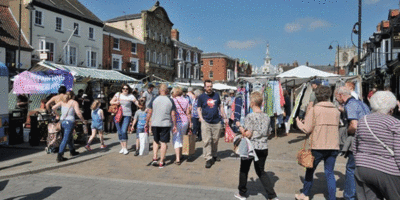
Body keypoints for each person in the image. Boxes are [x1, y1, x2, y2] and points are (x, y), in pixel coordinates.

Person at [295, 86, 340, 200]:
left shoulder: (314, 109)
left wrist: (298, 123)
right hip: (333, 145)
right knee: (330, 173)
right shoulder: (336, 110)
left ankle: (305, 194)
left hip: (317, 146)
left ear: (317, 96)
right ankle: (332, 198)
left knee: (310, 170)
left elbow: (306, 129)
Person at [353, 91, 400, 200]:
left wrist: (361, 161)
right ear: (391, 108)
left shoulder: (363, 120)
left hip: (363, 168)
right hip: (388, 170)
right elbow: (398, 152)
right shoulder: (395, 123)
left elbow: (355, 146)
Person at [234, 91, 279, 200]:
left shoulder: (250, 116)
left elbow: (247, 134)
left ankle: (242, 193)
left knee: (244, 169)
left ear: (253, 102)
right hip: (263, 147)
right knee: (261, 171)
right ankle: (272, 196)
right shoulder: (267, 117)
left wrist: (239, 127)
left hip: (251, 148)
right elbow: (269, 132)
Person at [335, 86, 370, 200]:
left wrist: (346, 132)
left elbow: (354, 125)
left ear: (341, 95)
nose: (336, 100)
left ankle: (349, 196)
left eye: (336, 97)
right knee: (362, 169)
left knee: (351, 168)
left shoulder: (350, 105)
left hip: (357, 140)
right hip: (368, 140)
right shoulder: (362, 103)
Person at [197, 80, 228, 169]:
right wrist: (201, 118)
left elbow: (220, 106)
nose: (209, 88)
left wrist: (224, 116)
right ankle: (208, 158)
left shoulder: (216, 95)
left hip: (216, 121)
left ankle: (214, 154)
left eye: (210, 86)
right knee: (207, 140)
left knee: (215, 140)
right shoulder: (201, 97)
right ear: (204, 87)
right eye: (208, 86)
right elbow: (198, 108)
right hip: (206, 121)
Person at [146, 84, 177, 168]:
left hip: (155, 123)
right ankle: (161, 161)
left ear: (159, 90)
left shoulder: (154, 99)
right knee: (164, 142)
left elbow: (149, 112)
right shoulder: (170, 100)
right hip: (166, 124)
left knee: (156, 140)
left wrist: (147, 123)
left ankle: (155, 157)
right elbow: (173, 114)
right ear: (167, 91)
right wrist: (175, 125)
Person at [52, 91, 87, 162]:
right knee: (65, 138)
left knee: (69, 137)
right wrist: (83, 120)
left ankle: (72, 151)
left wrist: (57, 114)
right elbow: (78, 113)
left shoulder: (62, 102)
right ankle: (60, 155)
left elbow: (53, 107)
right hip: (69, 122)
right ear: (73, 96)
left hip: (62, 121)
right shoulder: (74, 102)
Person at [110, 84, 139, 155]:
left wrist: (143, 107)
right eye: (123, 88)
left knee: (123, 130)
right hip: (117, 115)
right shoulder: (118, 94)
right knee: (119, 131)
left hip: (127, 115)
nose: (125, 90)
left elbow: (137, 103)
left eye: (126, 89)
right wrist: (116, 102)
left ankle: (125, 147)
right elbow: (111, 102)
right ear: (121, 89)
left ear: (129, 89)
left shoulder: (131, 96)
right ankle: (122, 147)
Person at [172, 87, 191, 165]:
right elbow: (188, 113)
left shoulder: (173, 100)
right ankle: (181, 154)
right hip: (185, 121)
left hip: (176, 121)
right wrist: (190, 123)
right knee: (182, 138)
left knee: (176, 139)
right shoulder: (186, 100)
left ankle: (177, 158)